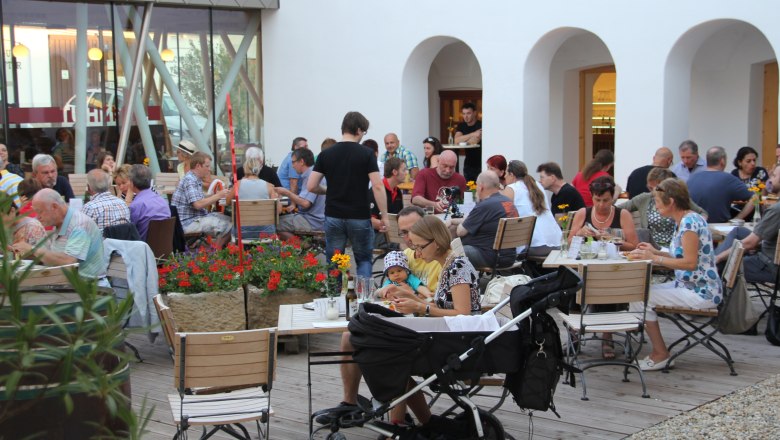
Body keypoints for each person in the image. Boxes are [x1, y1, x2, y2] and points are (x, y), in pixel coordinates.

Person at [325, 207, 440, 427]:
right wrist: (383, 292)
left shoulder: (436, 258)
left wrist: (412, 296)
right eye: (404, 232)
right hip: (399, 322)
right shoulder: (405, 255)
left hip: (424, 329)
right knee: (349, 335)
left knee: (382, 352)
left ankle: (398, 422)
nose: (408, 238)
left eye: (413, 231)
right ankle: (350, 402)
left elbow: (439, 305)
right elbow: (381, 289)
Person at [382, 215, 481, 425]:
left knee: (395, 359)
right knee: (394, 358)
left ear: (435, 243)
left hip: (458, 344)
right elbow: (447, 307)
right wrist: (409, 295)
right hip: (450, 335)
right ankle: (420, 423)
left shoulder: (457, 266)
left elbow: (463, 313)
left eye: (419, 247)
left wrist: (420, 307)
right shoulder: (448, 264)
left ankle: (406, 424)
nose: (416, 253)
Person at [628, 178, 721, 371]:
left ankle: (660, 353)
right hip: (692, 285)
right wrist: (655, 251)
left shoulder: (689, 224)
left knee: (639, 297)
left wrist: (655, 259)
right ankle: (658, 351)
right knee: (640, 293)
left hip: (700, 292)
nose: (655, 206)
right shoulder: (688, 219)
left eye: (658, 202)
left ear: (671, 202)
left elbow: (689, 262)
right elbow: (682, 255)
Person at [307, 111, 388, 279]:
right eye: (363, 132)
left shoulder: (325, 154)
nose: (362, 136)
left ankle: (335, 299)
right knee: (364, 260)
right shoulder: (366, 154)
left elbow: (311, 186)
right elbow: (378, 186)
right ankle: (363, 300)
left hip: (334, 215)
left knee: (334, 262)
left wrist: (328, 190)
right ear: (358, 130)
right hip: (359, 215)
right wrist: (385, 215)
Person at [11, 188, 106, 284]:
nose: (37, 217)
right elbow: (54, 257)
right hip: (68, 285)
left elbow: (69, 261)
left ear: (54, 207)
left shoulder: (79, 225)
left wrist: (32, 249)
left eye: (40, 212)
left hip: (89, 289)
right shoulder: (60, 222)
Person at [714, 164, 780, 284]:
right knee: (740, 231)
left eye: (774, 176)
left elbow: (750, 243)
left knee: (725, 263)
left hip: (769, 266)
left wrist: (718, 258)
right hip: (770, 257)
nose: (770, 179)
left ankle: (710, 273)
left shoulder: (776, 210)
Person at [449, 171, 519, 268]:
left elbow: (460, 231)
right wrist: (454, 221)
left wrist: (456, 221)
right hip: (509, 256)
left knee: (449, 252)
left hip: (490, 256)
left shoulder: (485, 205)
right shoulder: (507, 201)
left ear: (481, 187)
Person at [622, 167, 707, 248]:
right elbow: (617, 209)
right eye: (650, 188)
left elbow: (701, 213)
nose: (653, 192)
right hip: (654, 247)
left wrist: (696, 229)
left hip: (676, 247)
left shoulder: (688, 221)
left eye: (656, 188)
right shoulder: (644, 198)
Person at [502, 160, 561, 257]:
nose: (504, 176)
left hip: (534, 244)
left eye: (506, 173)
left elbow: (502, 214)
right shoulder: (537, 185)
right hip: (555, 241)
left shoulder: (511, 188)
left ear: (512, 175)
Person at [172, 151, 232, 248]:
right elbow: (198, 204)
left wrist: (216, 195)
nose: (209, 170)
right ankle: (216, 255)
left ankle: (216, 252)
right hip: (187, 223)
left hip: (193, 218)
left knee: (230, 220)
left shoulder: (194, 178)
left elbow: (198, 201)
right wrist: (218, 196)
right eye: (207, 166)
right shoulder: (190, 180)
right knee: (229, 226)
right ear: (198, 166)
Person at [569, 176, 639, 251]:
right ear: (591, 196)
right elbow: (568, 244)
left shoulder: (623, 215)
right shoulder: (582, 213)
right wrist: (579, 234)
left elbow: (634, 246)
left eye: (605, 200)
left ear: (612, 197)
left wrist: (612, 240)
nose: (601, 204)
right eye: (597, 200)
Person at [687, 146, 753, 223]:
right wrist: (738, 218)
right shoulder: (728, 179)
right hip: (719, 228)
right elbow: (755, 198)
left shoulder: (692, 178)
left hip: (694, 227)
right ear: (722, 161)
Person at [274, 148, 326, 240]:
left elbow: (306, 203)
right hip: (316, 219)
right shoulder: (312, 173)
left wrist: (286, 192)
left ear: (301, 161)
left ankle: (305, 245)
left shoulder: (311, 176)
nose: (292, 166)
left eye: (293, 162)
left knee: (274, 224)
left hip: (312, 221)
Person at [227, 153, 278, 239]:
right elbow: (278, 210)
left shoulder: (238, 185)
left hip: (242, 232)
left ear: (245, 169)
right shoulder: (269, 186)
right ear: (259, 169)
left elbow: (227, 201)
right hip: (266, 231)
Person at [368, 157, 406, 247]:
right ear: (395, 172)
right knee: (405, 244)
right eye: (404, 170)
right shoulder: (376, 191)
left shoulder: (398, 192)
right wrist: (389, 226)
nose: (406, 173)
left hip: (391, 234)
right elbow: (370, 221)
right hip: (375, 235)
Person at [128, 164, 171, 241]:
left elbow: (129, 231)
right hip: (164, 246)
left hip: (143, 248)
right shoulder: (162, 200)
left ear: (132, 183)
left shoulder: (136, 205)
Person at [454, 102, 482, 181]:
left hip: (480, 162)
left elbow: (473, 142)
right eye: (464, 113)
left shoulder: (480, 125)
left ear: (474, 113)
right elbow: (456, 140)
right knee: (468, 189)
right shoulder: (461, 125)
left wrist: (463, 138)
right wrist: (473, 133)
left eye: (468, 113)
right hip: (468, 164)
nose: (466, 116)